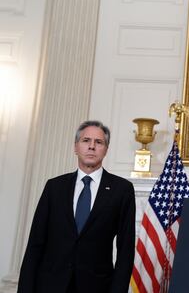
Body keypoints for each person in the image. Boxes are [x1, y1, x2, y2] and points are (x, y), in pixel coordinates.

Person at [18, 121, 136, 293]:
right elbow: (35, 243)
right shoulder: (54, 187)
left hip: (96, 286)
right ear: (76, 147)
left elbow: (125, 250)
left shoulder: (121, 190)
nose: (92, 147)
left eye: (99, 142)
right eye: (86, 140)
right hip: (50, 285)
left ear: (106, 150)